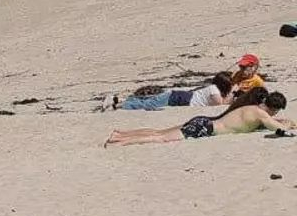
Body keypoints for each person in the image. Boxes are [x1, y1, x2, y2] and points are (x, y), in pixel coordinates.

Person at [104, 90, 292, 147]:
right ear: (273, 108)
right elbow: (275, 128)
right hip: (205, 129)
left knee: (159, 132)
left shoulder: (250, 107)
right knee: (160, 138)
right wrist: (288, 131)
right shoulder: (261, 114)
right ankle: (119, 142)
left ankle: (120, 134)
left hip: (204, 122)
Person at [115, 73, 233, 111]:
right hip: (180, 98)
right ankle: (122, 105)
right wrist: (232, 94)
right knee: (150, 104)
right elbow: (219, 103)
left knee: (150, 101)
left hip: (180, 97)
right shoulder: (213, 89)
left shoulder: (213, 88)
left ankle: (121, 101)